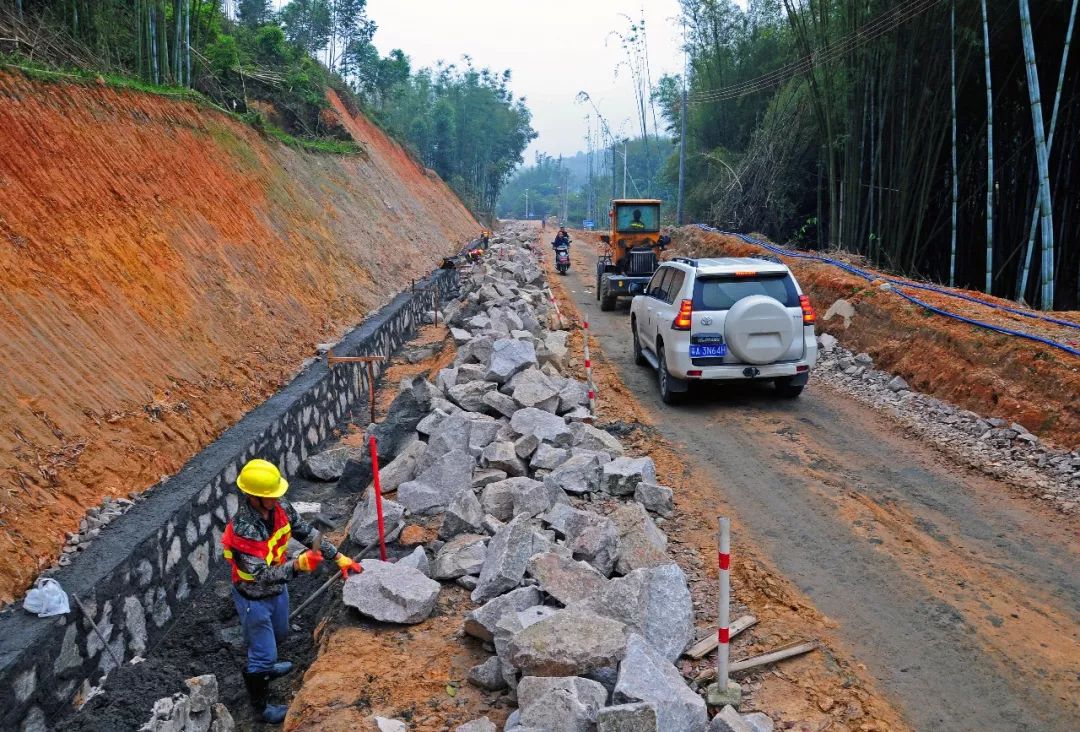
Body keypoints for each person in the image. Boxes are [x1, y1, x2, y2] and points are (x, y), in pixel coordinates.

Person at [222, 459, 362, 724]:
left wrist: (338, 556)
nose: (278, 498)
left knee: (281, 632)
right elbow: (260, 575)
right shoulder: (244, 530)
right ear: (253, 497)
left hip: (278, 588)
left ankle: (268, 663)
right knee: (263, 654)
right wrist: (297, 565)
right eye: (271, 496)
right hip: (254, 596)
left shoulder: (279, 506)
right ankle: (261, 708)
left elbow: (305, 531)